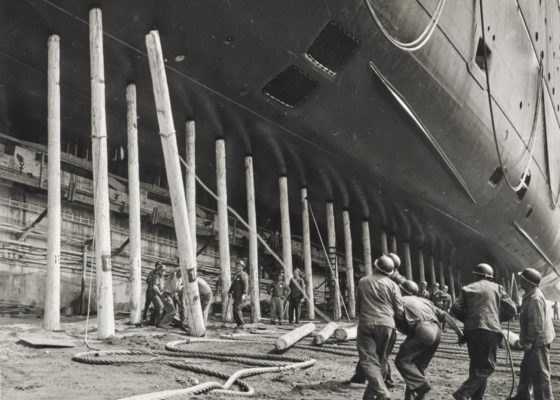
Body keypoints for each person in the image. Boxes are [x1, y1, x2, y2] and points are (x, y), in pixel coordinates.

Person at [451, 263, 517, 400]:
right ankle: (463, 392)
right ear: (490, 276)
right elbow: (512, 309)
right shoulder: (498, 288)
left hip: (471, 331)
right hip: (490, 330)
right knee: (488, 367)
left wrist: (468, 320)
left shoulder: (467, 288)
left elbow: (455, 307)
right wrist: (497, 319)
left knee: (476, 366)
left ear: (476, 275)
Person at [395, 280, 464, 400]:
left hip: (423, 330)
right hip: (437, 331)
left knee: (402, 361)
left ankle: (421, 386)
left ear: (402, 291)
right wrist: (459, 333)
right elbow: (446, 316)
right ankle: (413, 397)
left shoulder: (401, 300)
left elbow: (398, 319)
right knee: (417, 368)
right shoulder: (426, 301)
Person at [356, 255, 404, 400]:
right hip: (387, 325)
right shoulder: (393, 286)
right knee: (381, 361)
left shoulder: (363, 281)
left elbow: (358, 305)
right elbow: (400, 311)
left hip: (366, 323)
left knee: (368, 360)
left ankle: (382, 394)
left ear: (376, 267)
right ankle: (370, 397)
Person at [507, 268, 555, 400]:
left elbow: (536, 325)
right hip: (534, 340)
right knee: (526, 369)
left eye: (522, 279)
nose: (520, 281)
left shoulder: (535, 299)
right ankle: (523, 396)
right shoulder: (531, 295)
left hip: (538, 342)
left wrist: (528, 342)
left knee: (540, 374)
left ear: (528, 283)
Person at [228, 259, 249, 329]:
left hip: (241, 296)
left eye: (240, 266)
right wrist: (229, 291)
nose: (238, 267)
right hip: (236, 296)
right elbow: (233, 285)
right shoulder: (236, 275)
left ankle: (242, 324)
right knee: (234, 310)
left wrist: (244, 294)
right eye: (237, 266)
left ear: (242, 267)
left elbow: (245, 285)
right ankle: (238, 324)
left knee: (237, 308)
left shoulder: (243, 275)